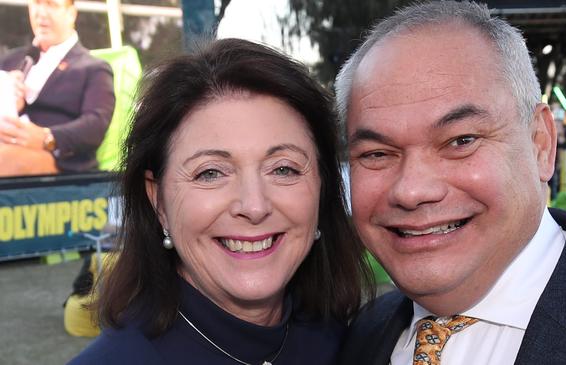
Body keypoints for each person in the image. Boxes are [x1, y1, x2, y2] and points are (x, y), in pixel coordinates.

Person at [334, 1, 566, 364]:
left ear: (540, 144)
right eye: (376, 154)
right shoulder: (360, 334)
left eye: (461, 140)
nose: (412, 190)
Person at [68, 38, 373, 364]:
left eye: (283, 168)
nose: (254, 206)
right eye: (211, 173)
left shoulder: (350, 343)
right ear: (158, 201)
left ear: (322, 188)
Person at [0, 0, 115, 176]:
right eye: (36, 3)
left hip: (61, 163)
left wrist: (47, 137)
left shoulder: (93, 68)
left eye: (51, 5)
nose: (41, 13)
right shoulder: (9, 61)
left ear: (71, 14)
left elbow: (96, 124)